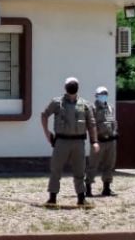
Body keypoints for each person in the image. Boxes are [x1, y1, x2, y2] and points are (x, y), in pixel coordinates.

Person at [40, 77, 99, 206]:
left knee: (79, 171)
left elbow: (92, 124)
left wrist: (94, 141)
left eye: (74, 84)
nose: (72, 86)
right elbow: (44, 115)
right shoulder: (57, 103)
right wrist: (47, 133)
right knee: (56, 170)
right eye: (70, 84)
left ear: (78, 86)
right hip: (61, 141)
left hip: (78, 142)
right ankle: (52, 198)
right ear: (65, 87)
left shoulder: (85, 104)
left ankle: (81, 198)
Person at [85, 86, 118, 197]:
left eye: (105, 94)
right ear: (96, 95)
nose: (103, 96)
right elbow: (90, 124)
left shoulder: (110, 107)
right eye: (101, 94)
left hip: (110, 140)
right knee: (93, 165)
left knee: (109, 165)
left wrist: (115, 131)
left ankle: (107, 188)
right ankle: (88, 188)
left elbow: (113, 121)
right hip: (98, 141)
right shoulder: (92, 108)